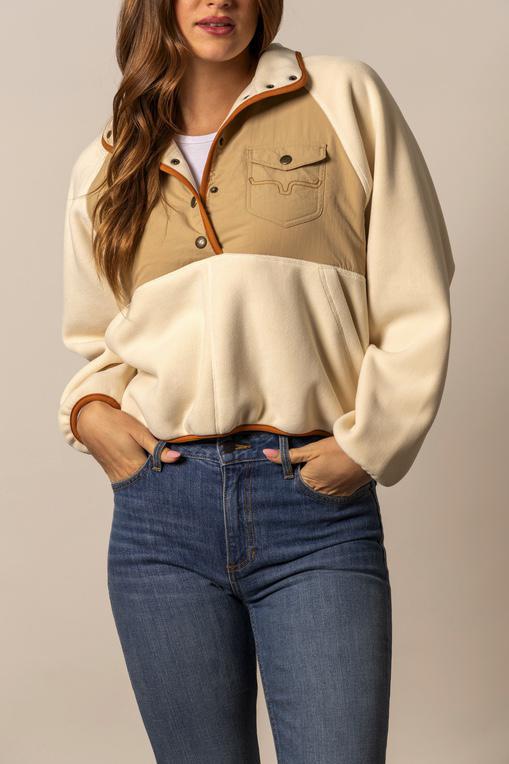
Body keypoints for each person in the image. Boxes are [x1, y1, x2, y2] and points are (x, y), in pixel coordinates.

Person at [57, 1, 455, 761]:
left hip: (311, 510)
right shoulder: (106, 164)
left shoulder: (342, 96)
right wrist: (90, 414)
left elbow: (416, 291)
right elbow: (99, 342)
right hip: (160, 519)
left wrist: (367, 444)